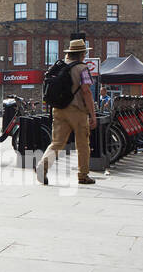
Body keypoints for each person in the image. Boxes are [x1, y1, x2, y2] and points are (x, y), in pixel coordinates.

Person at [35, 38, 97, 186]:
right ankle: (83, 175)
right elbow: (86, 91)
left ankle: (42, 167)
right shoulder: (83, 68)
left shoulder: (59, 66)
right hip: (77, 111)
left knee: (56, 143)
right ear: (82, 54)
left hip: (58, 109)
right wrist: (92, 114)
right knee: (82, 144)